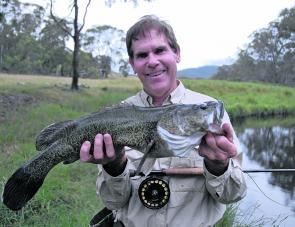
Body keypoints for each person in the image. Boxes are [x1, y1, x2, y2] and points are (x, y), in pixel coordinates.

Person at [80, 15, 247, 227]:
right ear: (133, 64)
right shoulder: (118, 116)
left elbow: (233, 196)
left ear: (176, 53)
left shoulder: (209, 110)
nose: (152, 61)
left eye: (159, 50)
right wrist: (114, 165)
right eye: (142, 55)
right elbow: (113, 201)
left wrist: (219, 166)